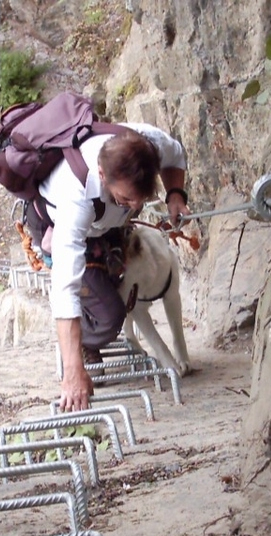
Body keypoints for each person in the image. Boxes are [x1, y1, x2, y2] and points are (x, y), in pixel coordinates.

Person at [25, 124, 190, 413]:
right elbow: (65, 290)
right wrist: (72, 371)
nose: (137, 205)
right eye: (128, 199)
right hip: (60, 226)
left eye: (142, 199)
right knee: (111, 314)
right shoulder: (76, 199)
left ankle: (92, 322)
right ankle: (85, 344)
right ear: (102, 175)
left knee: (115, 291)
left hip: (108, 224)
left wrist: (175, 194)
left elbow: (175, 155)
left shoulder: (148, 143)